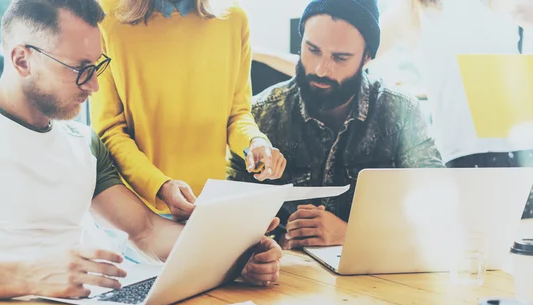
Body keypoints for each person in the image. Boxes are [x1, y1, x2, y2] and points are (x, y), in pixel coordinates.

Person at [0, 0, 283, 302]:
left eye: (97, 66)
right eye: (80, 69)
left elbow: (146, 230)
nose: (95, 85)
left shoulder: (84, 144)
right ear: (22, 60)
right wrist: (30, 276)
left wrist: (238, 251)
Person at [228, 0, 444, 250]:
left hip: (375, 280)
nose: (321, 70)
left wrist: (351, 234)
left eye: (340, 58)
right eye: (312, 50)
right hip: (285, 282)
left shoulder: (400, 112)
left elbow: (438, 213)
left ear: (367, 57)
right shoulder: (260, 115)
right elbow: (228, 218)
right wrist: (269, 247)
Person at [90, 0, 286, 221]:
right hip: (136, 210)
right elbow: (109, 129)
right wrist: (160, 186)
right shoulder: (104, 17)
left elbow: (236, 115)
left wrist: (255, 143)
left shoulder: (234, 18)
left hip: (207, 206)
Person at [375, 0, 533, 218]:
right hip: (459, 159)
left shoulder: (506, 3)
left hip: (521, 155)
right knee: (472, 244)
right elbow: (355, 51)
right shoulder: (412, 9)